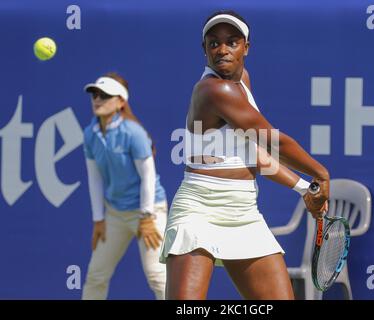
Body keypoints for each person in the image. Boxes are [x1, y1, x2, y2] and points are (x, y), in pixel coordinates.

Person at [159, 11, 329, 300]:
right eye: (214, 44)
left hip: (244, 212)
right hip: (199, 209)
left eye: (232, 42)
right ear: (205, 51)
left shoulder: (243, 82)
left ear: (246, 48)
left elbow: (256, 156)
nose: (222, 50)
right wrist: (321, 174)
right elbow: (273, 141)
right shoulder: (214, 89)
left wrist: (303, 188)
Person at [81, 72, 167, 300]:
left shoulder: (134, 133)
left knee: (157, 276)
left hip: (148, 212)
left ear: (120, 102)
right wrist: (98, 218)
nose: (97, 99)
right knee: (96, 275)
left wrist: (147, 217)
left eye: (104, 95)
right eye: (94, 95)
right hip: (115, 214)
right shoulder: (90, 134)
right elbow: (95, 178)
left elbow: (148, 176)